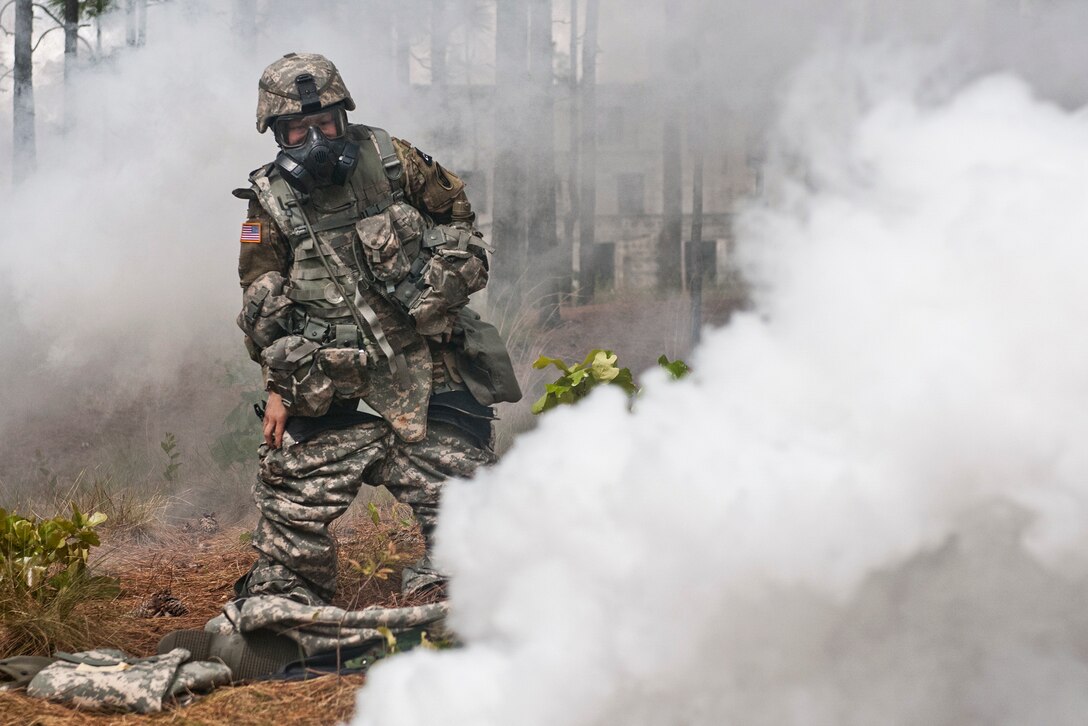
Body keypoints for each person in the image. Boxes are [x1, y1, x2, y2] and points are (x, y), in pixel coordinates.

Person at [233, 52, 521, 606]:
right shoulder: (267, 200)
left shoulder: (395, 160)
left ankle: (459, 569)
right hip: (328, 367)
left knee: (462, 479)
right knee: (290, 483)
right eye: (299, 127)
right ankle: (292, 585)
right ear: (277, 133)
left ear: (344, 116)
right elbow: (260, 298)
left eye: (325, 123)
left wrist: (432, 280)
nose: (316, 138)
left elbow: (465, 233)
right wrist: (279, 385)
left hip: (425, 353)